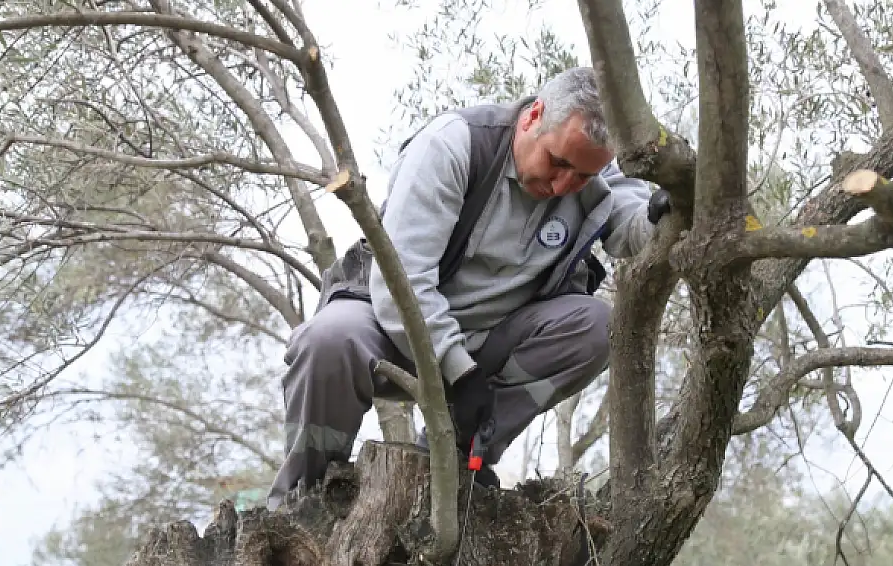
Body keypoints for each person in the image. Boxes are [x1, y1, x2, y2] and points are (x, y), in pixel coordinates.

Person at [265, 67, 671, 512]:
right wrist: (458, 371)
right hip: (388, 325)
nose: (562, 186)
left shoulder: (594, 172)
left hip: (491, 344)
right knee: (327, 340)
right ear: (534, 115)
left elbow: (630, 228)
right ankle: (300, 506)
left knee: (596, 327)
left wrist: (664, 216)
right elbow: (403, 281)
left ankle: (456, 462)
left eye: (580, 177)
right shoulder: (452, 144)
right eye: (557, 162)